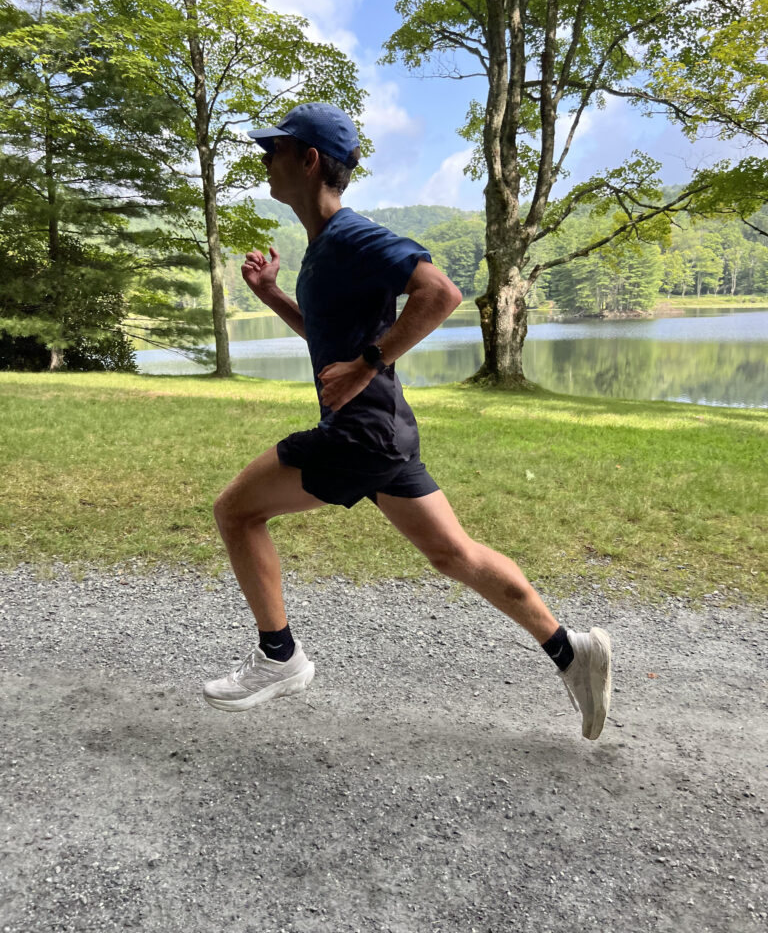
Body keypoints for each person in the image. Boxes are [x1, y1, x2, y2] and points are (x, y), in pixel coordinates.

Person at [203, 102, 611, 740]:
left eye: (274, 148)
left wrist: (368, 364)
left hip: (358, 433)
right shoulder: (324, 249)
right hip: (384, 433)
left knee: (236, 511)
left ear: (308, 160)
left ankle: (279, 657)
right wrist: (274, 297)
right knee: (456, 554)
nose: (265, 159)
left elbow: (440, 293)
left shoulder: (352, 235)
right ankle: (572, 652)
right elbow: (328, 338)